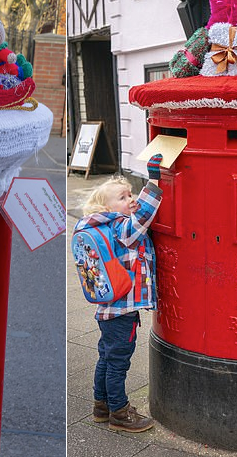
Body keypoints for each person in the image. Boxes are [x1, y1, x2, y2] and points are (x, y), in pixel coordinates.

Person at [73, 154, 163, 432]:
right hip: (122, 312)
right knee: (118, 365)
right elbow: (144, 216)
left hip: (108, 311)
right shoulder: (121, 228)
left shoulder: (98, 225)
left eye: (131, 193)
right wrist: (153, 181)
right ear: (106, 207)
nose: (131, 199)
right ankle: (120, 413)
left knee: (106, 359)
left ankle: (101, 406)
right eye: (123, 197)